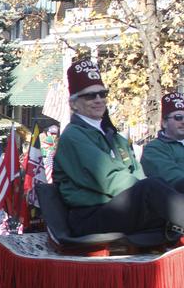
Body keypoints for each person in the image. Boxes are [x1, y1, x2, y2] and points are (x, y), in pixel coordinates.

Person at [53, 59, 184, 237]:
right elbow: (108, 178)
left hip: (118, 207)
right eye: (90, 96)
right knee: (152, 187)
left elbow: (137, 172)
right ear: (73, 104)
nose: (99, 100)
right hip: (90, 215)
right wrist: (144, 193)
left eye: (102, 94)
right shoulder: (73, 136)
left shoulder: (114, 137)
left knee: (157, 184)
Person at [141, 92, 184, 185]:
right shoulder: (153, 149)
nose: (183, 121)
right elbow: (173, 178)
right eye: (178, 117)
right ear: (164, 122)